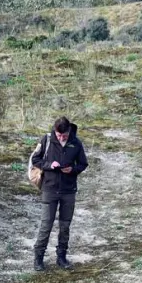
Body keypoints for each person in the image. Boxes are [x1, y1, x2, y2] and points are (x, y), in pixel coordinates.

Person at [30, 116, 89, 271]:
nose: (62, 138)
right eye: (59, 135)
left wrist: (73, 170)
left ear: (69, 131)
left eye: (64, 136)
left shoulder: (76, 143)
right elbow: (35, 159)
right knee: (46, 225)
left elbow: (83, 164)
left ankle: (61, 257)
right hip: (49, 189)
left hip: (68, 190)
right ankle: (38, 258)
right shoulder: (47, 140)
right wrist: (49, 165)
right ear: (55, 131)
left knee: (65, 225)